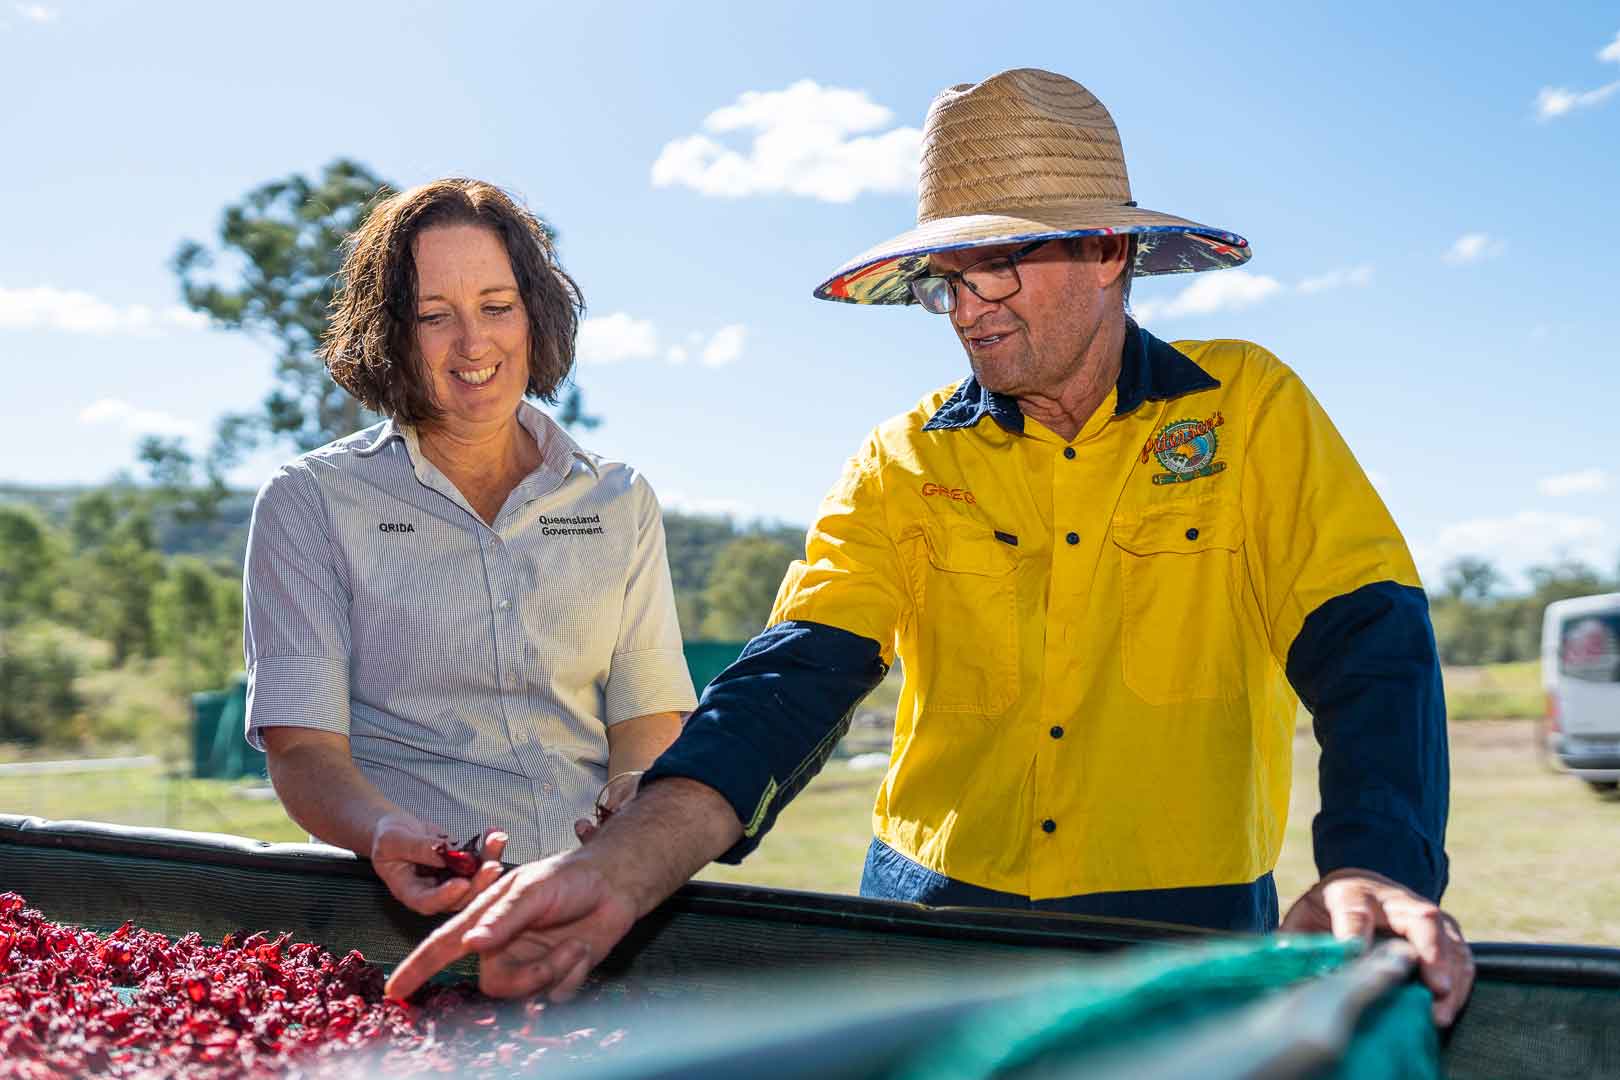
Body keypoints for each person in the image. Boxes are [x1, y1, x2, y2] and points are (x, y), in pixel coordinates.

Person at [386, 71, 1474, 1024]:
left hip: (1182, 922)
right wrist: (626, 865)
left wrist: (1377, 864)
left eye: (995, 268)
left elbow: (1369, 642)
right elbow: (793, 678)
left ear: (1106, 250)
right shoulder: (902, 458)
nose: (966, 310)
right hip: (933, 912)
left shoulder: (1252, 410)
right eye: (946, 281)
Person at [243, 178, 697, 917]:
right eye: (434, 316)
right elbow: (303, 749)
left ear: (534, 314)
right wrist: (383, 831)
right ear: (390, 332)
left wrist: (632, 794)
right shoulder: (310, 502)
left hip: (596, 903)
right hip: (400, 908)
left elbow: (646, 713)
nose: (473, 342)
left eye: (496, 307)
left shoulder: (618, 500)